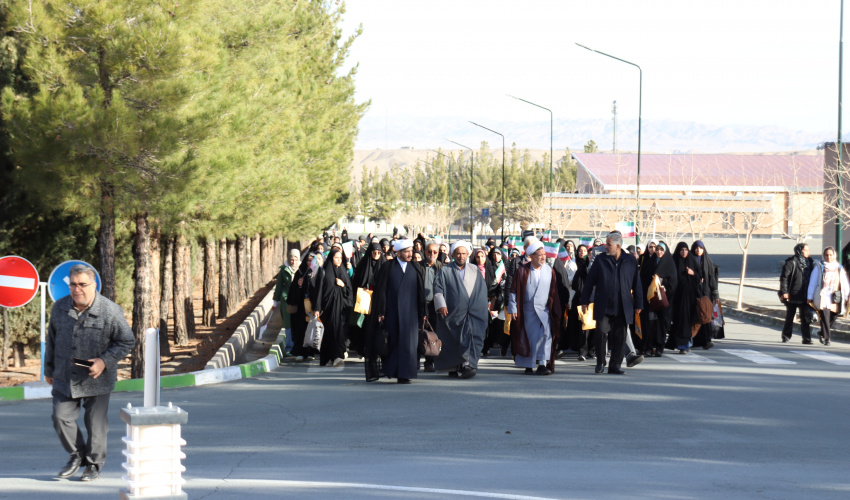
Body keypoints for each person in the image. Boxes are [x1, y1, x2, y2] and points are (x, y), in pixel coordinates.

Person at [45, 264, 134, 481]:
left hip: (97, 377)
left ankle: (94, 464)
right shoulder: (60, 308)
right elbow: (52, 340)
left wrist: (104, 361)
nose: (77, 289)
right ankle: (77, 455)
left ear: (94, 285)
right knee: (60, 417)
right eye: (73, 285)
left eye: (82, 284)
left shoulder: (110, 310)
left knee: (95, 424)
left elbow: (126, 341)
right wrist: (48, 369)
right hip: (64, 374)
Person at [579, 232, 643, 374]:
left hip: (622, 306)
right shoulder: (601, 260)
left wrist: (639, 304)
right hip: (604, 305)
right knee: (601, 334)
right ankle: (600, 362)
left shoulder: (630, 261)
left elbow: (636, 284)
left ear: (618, 246)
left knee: (620, 337)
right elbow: (589, 282)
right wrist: (584, 301)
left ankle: (615, 365)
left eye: (609, 244)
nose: (606, 247)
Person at [370, 239, 426, 383]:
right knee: (393, 343)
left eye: (411, 251)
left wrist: (423, 312)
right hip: (392, 313)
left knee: (409, 345)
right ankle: (392, 371)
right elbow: (381, 291)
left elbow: (420, 292)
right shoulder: (388, 267)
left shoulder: (415, 267)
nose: (410, 254)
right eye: (406, 251)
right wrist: (381, 311)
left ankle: (405, 374)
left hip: (410, 315)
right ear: (398, 253)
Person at [434, 241, 490, 378]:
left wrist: (481, 309)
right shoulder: (445, 271)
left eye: (464, 253)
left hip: (473, 314)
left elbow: (481, 291)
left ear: (468, 254)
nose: (461, 256)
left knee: (472, 337)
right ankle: (453, 366)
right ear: (453, 254)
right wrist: (441, 304)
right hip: (452, 314)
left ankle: (468, 366)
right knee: (452, 340)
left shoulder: (474, 269)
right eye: (458, 253)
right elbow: (438, 290)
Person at [507, 240, 562, 375]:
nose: (543, 257)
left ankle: (542, 364)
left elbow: (553, 292)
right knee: (529, 338)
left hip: (544, 311)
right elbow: (514, 290)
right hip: (527, 311)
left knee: (546, 336)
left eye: (544, 254)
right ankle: (528, 365)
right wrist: (513, 308)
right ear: (531, 256)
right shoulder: (522, 270)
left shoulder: (549, 270)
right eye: (539, 255)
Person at [312, 248, 354, 367]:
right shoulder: (324, 271)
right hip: (328, 309)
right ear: (331, 258)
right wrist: (317, 308)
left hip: (341, 310)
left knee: (339, 332)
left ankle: (337, 356)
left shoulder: (343, 271)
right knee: (329, 333)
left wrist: (343, 285)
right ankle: (328, 357)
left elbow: (349, 291)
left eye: (340, 258)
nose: (339, 260)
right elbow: (319, 291)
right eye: (336, 258)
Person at [807, 246, 850, 346]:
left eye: (830, 255)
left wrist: (848, 296)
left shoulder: (839, 268)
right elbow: (813, 282)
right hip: (822, 296)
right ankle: (827, 338)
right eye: (826, 255)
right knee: (825, 317)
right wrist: (809, 296)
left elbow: (844, 284)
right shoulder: (819, 267)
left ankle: (822, 332)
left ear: (834, 255)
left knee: (834, 316)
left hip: (835, 296)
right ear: (823, 255)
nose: (828, 257)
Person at [641, 242, 677, 357]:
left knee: (661, 324)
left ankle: (659, 347)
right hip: (651, 299)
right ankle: (649, 347)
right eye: (657, 249)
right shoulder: (650, 263)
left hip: (664, 300)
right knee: (650, 323)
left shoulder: (669, 263)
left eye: (661, 250)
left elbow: (673, 282)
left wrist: (661, 281)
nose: (659, 252)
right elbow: (642, 279)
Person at [415, 240, 444, 372]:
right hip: (419, 304)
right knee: (417, 333)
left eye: (435, 252)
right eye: (429, 251)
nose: (432, 254)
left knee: (432, 334)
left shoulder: (442, 267)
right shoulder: (417, 266)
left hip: (434, 306)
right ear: (424, 252)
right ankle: (415, 361)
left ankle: (429, 362)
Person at [668, 242, 702, 354]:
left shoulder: (692, 261)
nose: (684, 252)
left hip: (690, 297)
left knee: (687, 321)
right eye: (682, 250)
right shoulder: (674, 262)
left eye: (686, 250)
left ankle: (685, 344)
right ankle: (682, 345)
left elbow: (699, 278)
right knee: (679, 320)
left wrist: (692, 273)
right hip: (677, 297)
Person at [286, 253, 320, 361]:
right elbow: (292, 292)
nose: (310, 263)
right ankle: (300, 351)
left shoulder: (316, 273)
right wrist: (298, 285)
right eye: (308, 261)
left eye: (312, 261)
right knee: (301, 329)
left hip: (312, 306)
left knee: (311, 329)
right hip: (301, 307)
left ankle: (310, 352)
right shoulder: (300, 272)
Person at [779, 243, 814, 344]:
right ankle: (786, 336)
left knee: (805, 318)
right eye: (806, 250)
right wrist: (784, 292)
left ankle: (806, 338)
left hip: (805, 294)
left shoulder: (810, 262)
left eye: (808, 250)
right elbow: (784, 278)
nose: (808, 252)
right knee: (790, 316)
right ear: (800, 251)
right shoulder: (791, 262)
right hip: (792, 294)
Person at [690, 241, 720, 349]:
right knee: (696, 317)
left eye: (701, 248)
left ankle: (707, 340)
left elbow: (713, 280)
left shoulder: (708, 262)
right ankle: (694, 340)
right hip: (694, 294)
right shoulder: (690, 260)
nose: (698, 250)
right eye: (696, 248)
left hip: (706, 294)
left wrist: (716, 295)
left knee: (706, 316)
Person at [566, 244, 592, 360]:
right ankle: (582, 351)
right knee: (584, 326)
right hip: (582, 300)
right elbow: (576, 284)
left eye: (586, 252)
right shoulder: (581, 268)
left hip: (595, 300)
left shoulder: (598, 267)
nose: (583, 253)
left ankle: (592, 350)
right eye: (580, 251)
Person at [272, 249, 300, 353]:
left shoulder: (302, 269)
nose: (294, 262)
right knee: (287, 323)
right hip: (286, 300)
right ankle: (289, 347)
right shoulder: (284, 270)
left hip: (298, 299)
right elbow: (279, 286)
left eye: (296, 259)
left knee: (298, 323)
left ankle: (298, 346)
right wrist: (275, 301)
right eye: (292, 260)